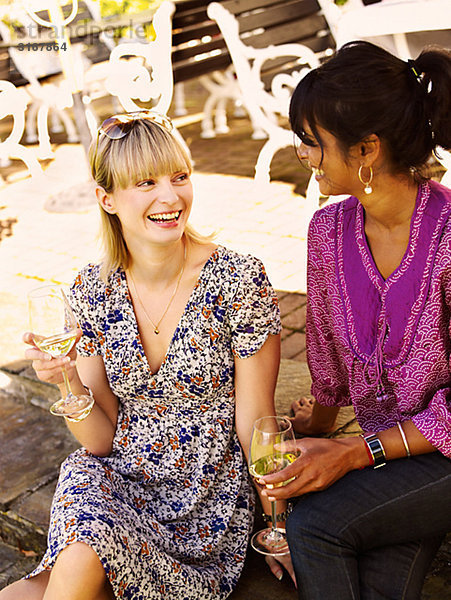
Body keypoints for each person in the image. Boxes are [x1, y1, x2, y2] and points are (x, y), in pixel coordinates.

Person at [0, 111, 293, 599]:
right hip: (116, 480)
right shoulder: (90, 290)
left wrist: (279, 528)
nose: (170, 197)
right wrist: (67, 381)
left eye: (179, 176)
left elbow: (257, 421)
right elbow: (99, 440)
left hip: (205, 504)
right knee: (59, 569)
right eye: (146, 182)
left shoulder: (239, 280)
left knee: (42, 586)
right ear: (107, 199)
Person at [257, 41, 451, 599]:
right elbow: (326, 353)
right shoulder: (328, 232)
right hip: (400, 457)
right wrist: (315, 423)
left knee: (315, 524)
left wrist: (351, 453)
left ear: (367, 149)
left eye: (313, 144)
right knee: (376, 578)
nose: (306, 157)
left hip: (435, 455)